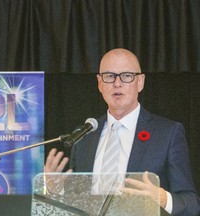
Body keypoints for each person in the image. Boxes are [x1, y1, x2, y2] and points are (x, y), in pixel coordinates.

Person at [44, 48, 200, 215]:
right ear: (99, 83)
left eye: (126, 76)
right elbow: (77, 202)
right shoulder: (85, 136)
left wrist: (162, 198)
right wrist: (56, 191)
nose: (117, 83)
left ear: (140, 82)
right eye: (109, 76)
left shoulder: (167, 134)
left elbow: (191, 204)